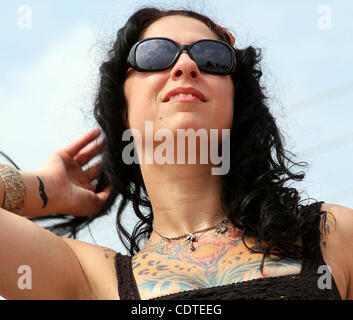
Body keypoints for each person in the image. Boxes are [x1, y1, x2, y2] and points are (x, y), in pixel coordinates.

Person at [0, 7, 352, 300]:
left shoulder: (332, 236)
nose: (186, 66)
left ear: (236, 104)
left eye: (212, 57)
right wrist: (44, 189)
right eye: (155, 54)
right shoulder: (91, 280)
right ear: (123, 109)